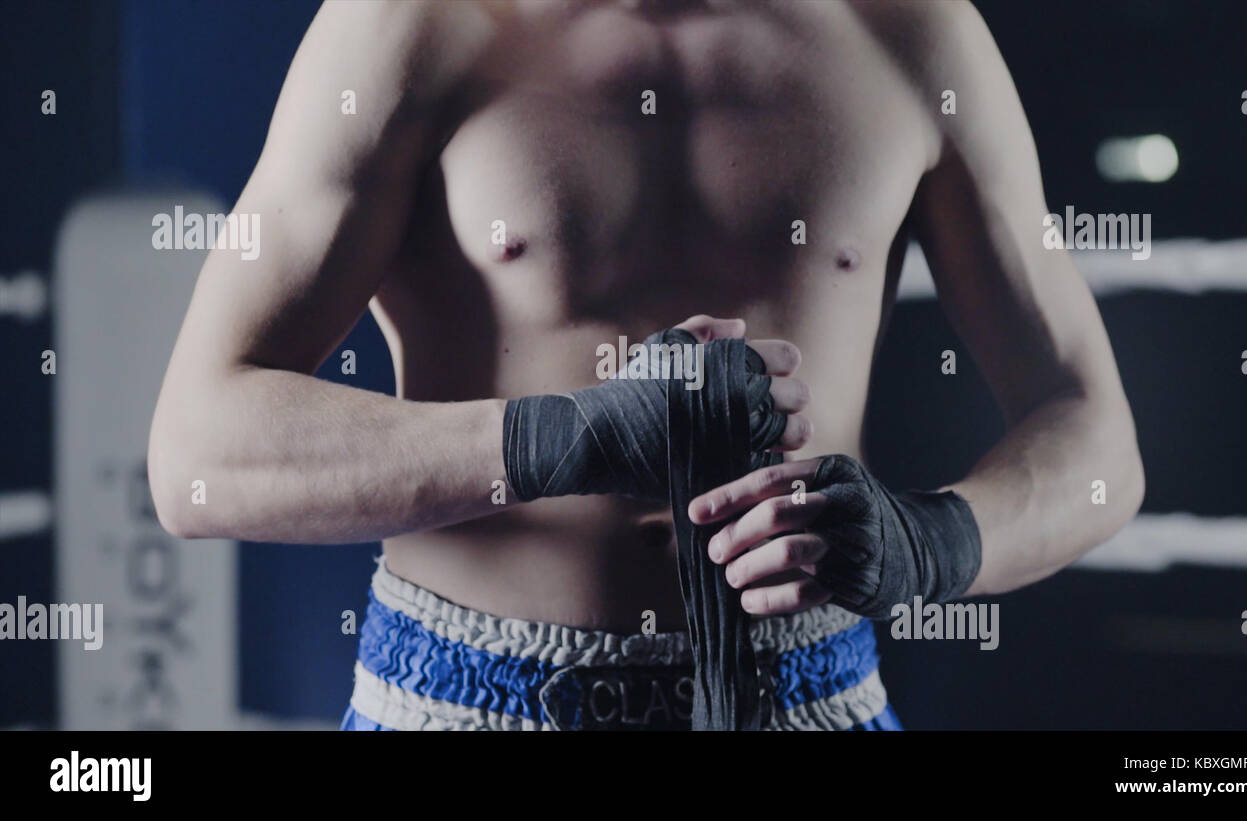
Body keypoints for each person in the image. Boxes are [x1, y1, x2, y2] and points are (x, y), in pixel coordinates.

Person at [148, 0, 1144, 731]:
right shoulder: (408, 26)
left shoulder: (910, 30)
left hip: (812, 697)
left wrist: (931, 543)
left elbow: (1094, 436)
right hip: (461, 700)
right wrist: (563, 437)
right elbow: (197, 456)